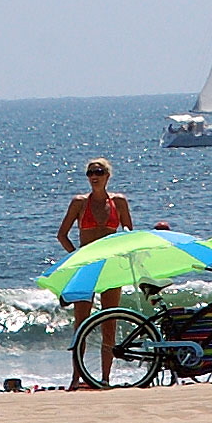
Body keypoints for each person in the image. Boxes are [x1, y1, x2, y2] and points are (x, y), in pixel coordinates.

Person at [57, 157, 133, 389]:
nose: (94, 176)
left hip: (110, 266)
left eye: (99, 172)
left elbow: (129, 232)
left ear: (107, 176)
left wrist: (125, 254)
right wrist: (76, 257)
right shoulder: (79, 203)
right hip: (87, 266)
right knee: (81, 325)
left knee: (109, 322)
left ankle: (105, 378)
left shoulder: (118, 202)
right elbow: (62, 235)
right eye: (90, 173)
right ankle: (76, 378)